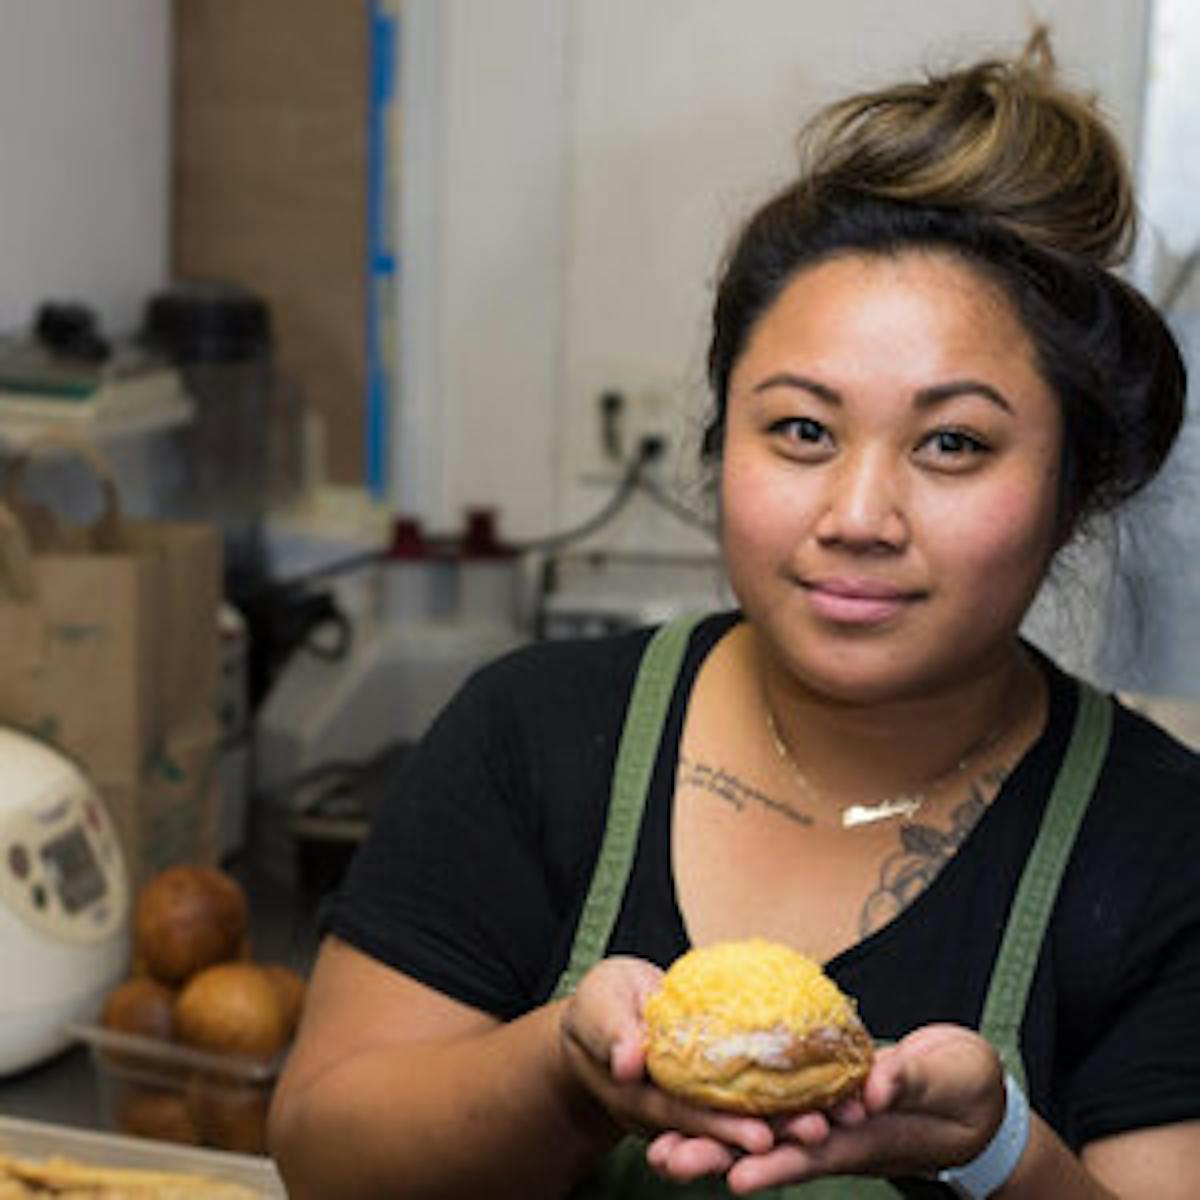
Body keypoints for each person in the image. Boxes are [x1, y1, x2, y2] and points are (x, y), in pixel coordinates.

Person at [268, 29, 1200, 1199]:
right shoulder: (536, 738)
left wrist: (996, 1150)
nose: (860, 514)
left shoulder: (1162, 845)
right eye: (803, 430)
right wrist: (563, 1072)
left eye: (954, 444)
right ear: (722, 447)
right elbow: (322, 1158)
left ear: (1072, 494)